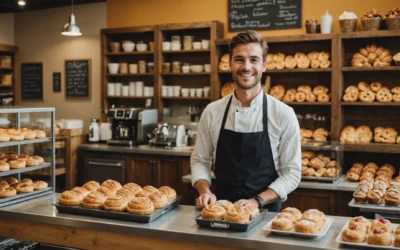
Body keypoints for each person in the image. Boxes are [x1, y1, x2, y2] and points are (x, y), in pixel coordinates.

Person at [190, 30, 301, 212]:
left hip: (266, 212)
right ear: (230, 64)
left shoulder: (283, 114)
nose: (246, 66)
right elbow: (200, 160)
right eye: (239, 59)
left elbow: (292, 173)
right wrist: (204, 191)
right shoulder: (212, 112)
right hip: (220, 210)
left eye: (254, 60)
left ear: (264, 65)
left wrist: (257, 201)